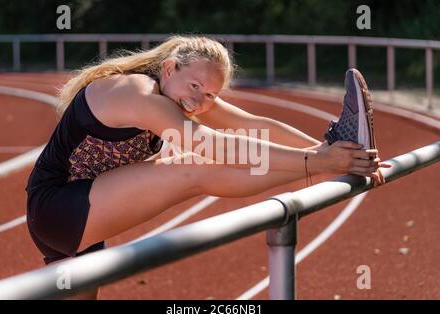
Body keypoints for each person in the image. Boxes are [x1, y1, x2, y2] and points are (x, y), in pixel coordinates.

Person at [25, 35, 389, 299]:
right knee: (192, 167)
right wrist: (319, 162)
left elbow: (251, 125)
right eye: (196, 85)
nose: (199, 100)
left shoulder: (183, 96)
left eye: (210, 95)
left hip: (83, 212)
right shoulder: (139, 94)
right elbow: (212, 145)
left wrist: (326, 147)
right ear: (169, 69)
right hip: (57, 207)